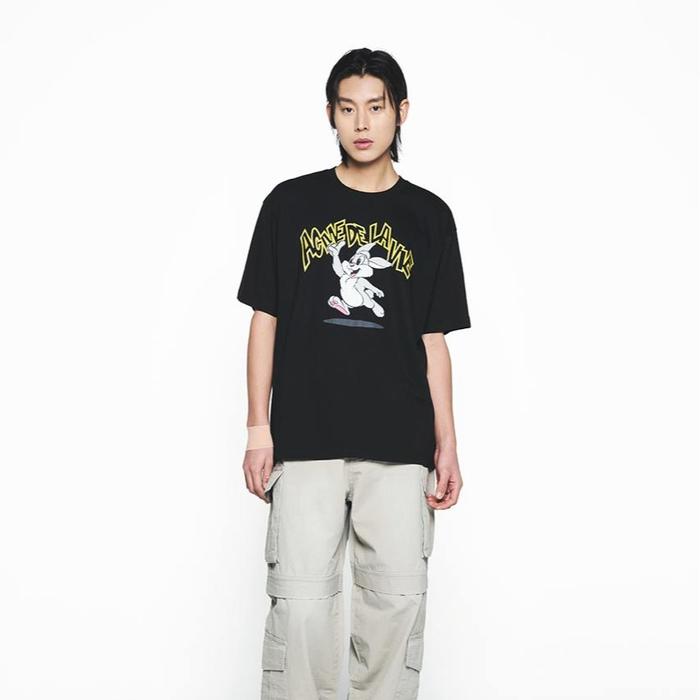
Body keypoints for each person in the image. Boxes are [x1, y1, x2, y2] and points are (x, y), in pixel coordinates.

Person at [237, 47, 471, 699]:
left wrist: (447, 443)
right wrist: (257, 428)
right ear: (330, 115)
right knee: (300, 613)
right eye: (347, 109)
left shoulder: (430, 217)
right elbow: (264, 320)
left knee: (395, 610)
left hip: (400, 446)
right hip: (305, 440)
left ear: (401, 112)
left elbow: (433, 340)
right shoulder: (289, 204)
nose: (362, 123)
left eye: (375, 107)